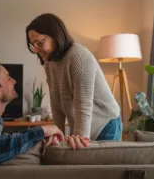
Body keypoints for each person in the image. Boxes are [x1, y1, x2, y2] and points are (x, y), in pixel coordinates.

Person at [25, 13, 122, 149]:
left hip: (104, 123)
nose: (36, 50)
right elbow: (56, 103)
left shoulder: (78, 56)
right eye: (33, 45)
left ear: (56, 35)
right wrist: (56, 133)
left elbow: (84, 106)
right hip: (83, 121)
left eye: (40, 42)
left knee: (99, 168)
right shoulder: (49, 62)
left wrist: (79, 142)